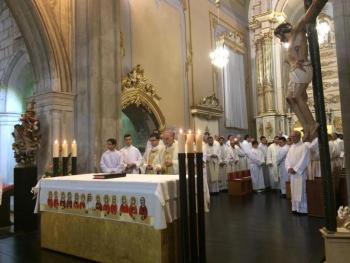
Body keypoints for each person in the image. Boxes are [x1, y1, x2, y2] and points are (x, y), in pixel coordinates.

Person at [274, 22, 319, 141]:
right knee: (289, 98)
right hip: (295, 71)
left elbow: (305, 19)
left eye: (280, 36)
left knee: (297, 96)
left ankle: (312, 123)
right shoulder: (290, 43)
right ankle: (305, 125)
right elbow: (290, 59)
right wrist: (293, 63)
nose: (281, 40)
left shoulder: (298, 33)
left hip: (303, 68)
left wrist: (315, 3)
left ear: (283, 31)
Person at [285, 131, 310, 215]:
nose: (291, 138)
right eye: (291, 136)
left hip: (300, 173)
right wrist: (289, 168)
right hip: (293, 174)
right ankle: (295, 208)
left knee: (301, 191)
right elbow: (287, 159)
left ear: (299, 137)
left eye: (293, 136)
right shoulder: (291, 147)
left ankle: (302, 209)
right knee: (294, 191)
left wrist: (296, 169)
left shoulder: (304, 147)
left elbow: (304, 159)